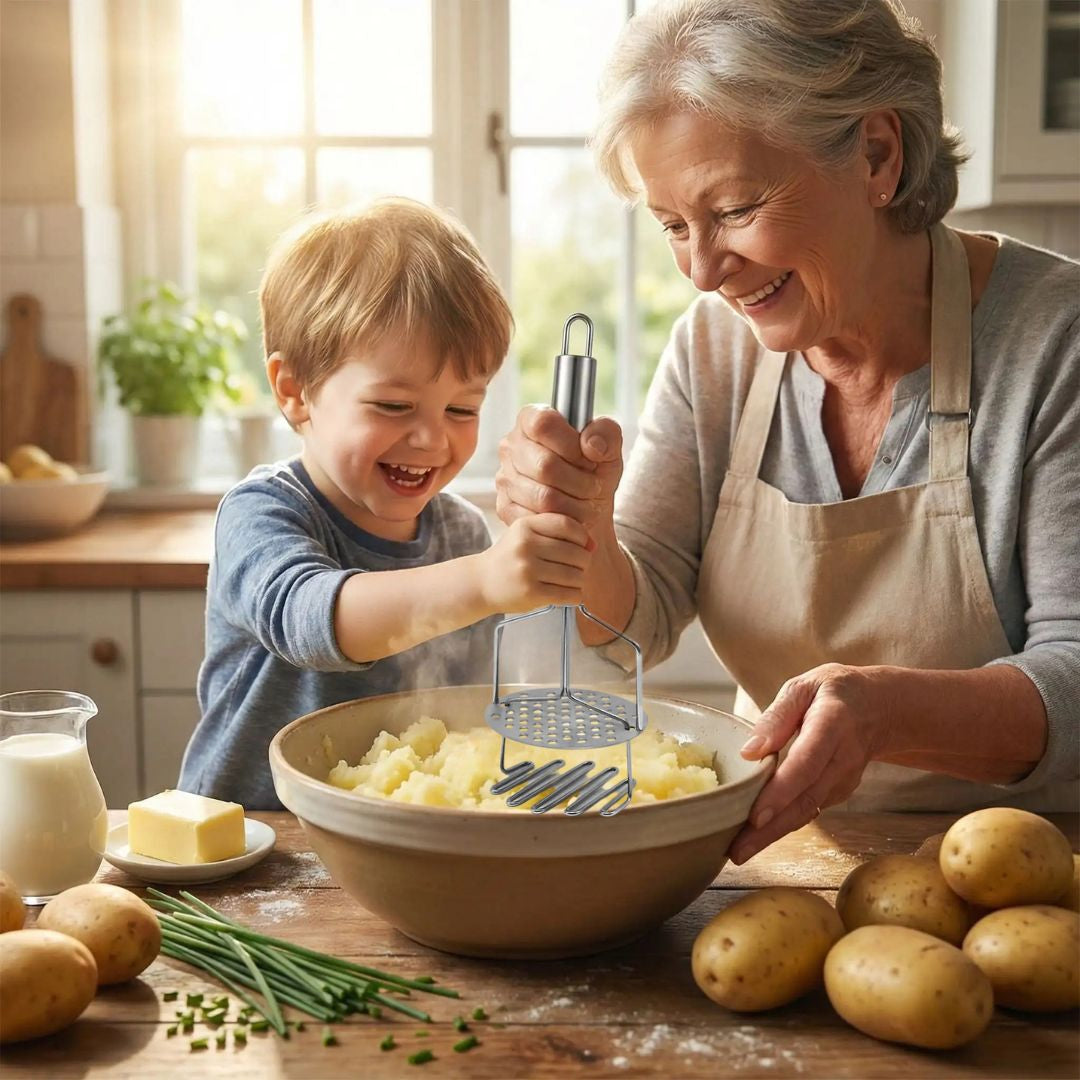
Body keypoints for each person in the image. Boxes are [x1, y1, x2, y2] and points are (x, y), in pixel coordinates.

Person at [494, 0, 1080, 863]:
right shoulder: (715, 350)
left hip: (1020, 869)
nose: (700, 271)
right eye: (671, 226)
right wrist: (581, 537)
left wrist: (883, 711)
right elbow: (642, 609)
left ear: (877, 155)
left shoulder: (1055, 341)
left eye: (732, 209)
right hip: (772, 854)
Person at [180, 198, 592, 808]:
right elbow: (314, 622)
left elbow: (474, 706)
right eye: (394, 407)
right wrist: (485, 580)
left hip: (401, 839)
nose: (431, 438)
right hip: (254, 846)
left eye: (462, 409)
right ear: (295, 392)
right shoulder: (262, 514)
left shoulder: (459, 532)